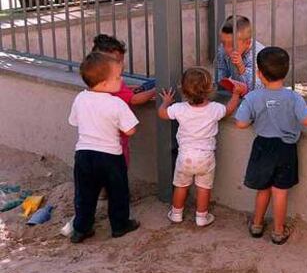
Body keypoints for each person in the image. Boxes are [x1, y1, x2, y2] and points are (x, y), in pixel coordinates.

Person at [235, 47, 307, 245]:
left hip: (262, 147)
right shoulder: (294, 98)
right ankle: (279, 232)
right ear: (286, 71)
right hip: (286, 149)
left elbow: (240, 123)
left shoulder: (253, 97)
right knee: (280, 192)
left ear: (259, 73)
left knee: (262, 189)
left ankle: (256, 225)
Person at [68, 52, 140, 243]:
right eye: (117, 77)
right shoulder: (116, 103)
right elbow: (131, 130)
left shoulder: (80, 99)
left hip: (83, 155)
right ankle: (119, 225)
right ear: (105, 83)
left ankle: (81, 228)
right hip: (110, 157)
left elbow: (74, 121)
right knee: (118, 192)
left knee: (84, 194)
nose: (121, 79)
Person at [158, 67, 243, 226]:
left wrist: (166, 102)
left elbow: (162, 114)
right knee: (203, 188)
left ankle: (176, 213)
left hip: (185, 157)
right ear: (210, 89)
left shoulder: (179, 109)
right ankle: (202, 217)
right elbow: (230, 109)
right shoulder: (215, 109)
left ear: (183, 89)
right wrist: (236, 94)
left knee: (181, 186)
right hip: (206, 158)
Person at [91, 34, 156, 166]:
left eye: (121, 61)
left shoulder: (94, 85)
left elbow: (123, 91)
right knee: (118, 170)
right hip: (116, 143)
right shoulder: (115, 93)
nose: (121, 65)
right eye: (117, 62)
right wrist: (155, 90)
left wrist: (129, 88)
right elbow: (135, 100)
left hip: (94, 145)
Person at [217, 15, 265, 91]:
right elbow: (220, 70)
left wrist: (241, 68)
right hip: (236, 92)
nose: (226, 49)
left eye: (232, 45)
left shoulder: (259, 55)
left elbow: (256, 88)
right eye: (223, 42)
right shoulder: (223, 49)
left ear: (247, 43)